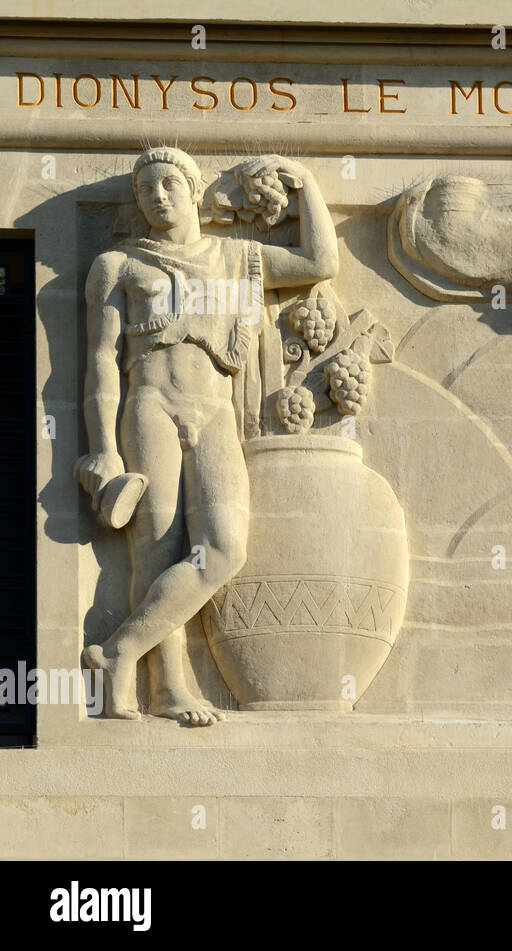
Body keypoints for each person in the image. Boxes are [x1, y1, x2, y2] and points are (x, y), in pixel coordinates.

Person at [75, 147, 338, 723]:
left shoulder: (238, 256)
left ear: (195, 191)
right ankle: (167, 689)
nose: (157, 195)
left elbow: (319, 261)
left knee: (223, 549)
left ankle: (118, 650)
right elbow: (100, 361)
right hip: (149, 407)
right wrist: (103, 447)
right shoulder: (118, 265)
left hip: (214, 409)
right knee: (156, 549)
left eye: (168, 183)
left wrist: (309, 185)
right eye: (145, 189)